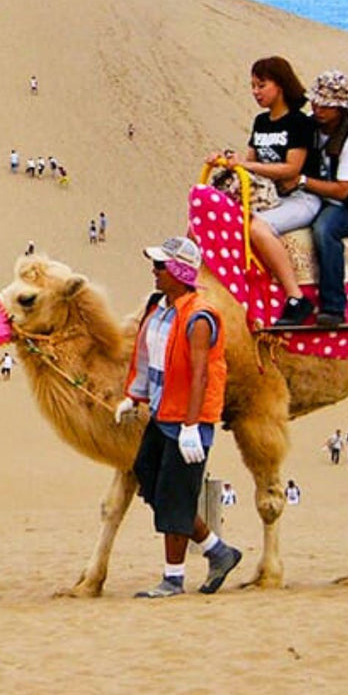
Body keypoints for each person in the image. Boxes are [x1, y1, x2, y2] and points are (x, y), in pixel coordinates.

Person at [114, 236, 242, 598]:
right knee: (150, 480)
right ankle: (218, 551)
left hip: (187, 422)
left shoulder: (199, 317)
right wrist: (133, 396)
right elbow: (148, 357)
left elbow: (200, 374)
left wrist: (190, 426)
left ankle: (173, 578)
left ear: (179, 271)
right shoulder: (160, 309)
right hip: (160, 412)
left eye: (160, 266)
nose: (154, 272)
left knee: (174, 496)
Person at [208, 56, 319, 324]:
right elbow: (251, 162)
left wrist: (247, 165)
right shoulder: (261, 122)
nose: (255, 92)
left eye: (261, 85)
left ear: (279, 85)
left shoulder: (299, 123)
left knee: (257, 228)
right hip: (269, 196)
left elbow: (292, 168)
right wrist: (227, 161)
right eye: (253, 86)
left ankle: (296, 298)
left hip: (300, 197)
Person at [297, 70, 348, 327]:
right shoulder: (309, 126)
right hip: (309, 197)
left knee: (324, 230)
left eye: (326, 105)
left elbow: (343, 190)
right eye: (316, 102)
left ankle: (333, 306)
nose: (317, 108)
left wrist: (302, 182)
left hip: (345, 206)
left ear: (341, 109)